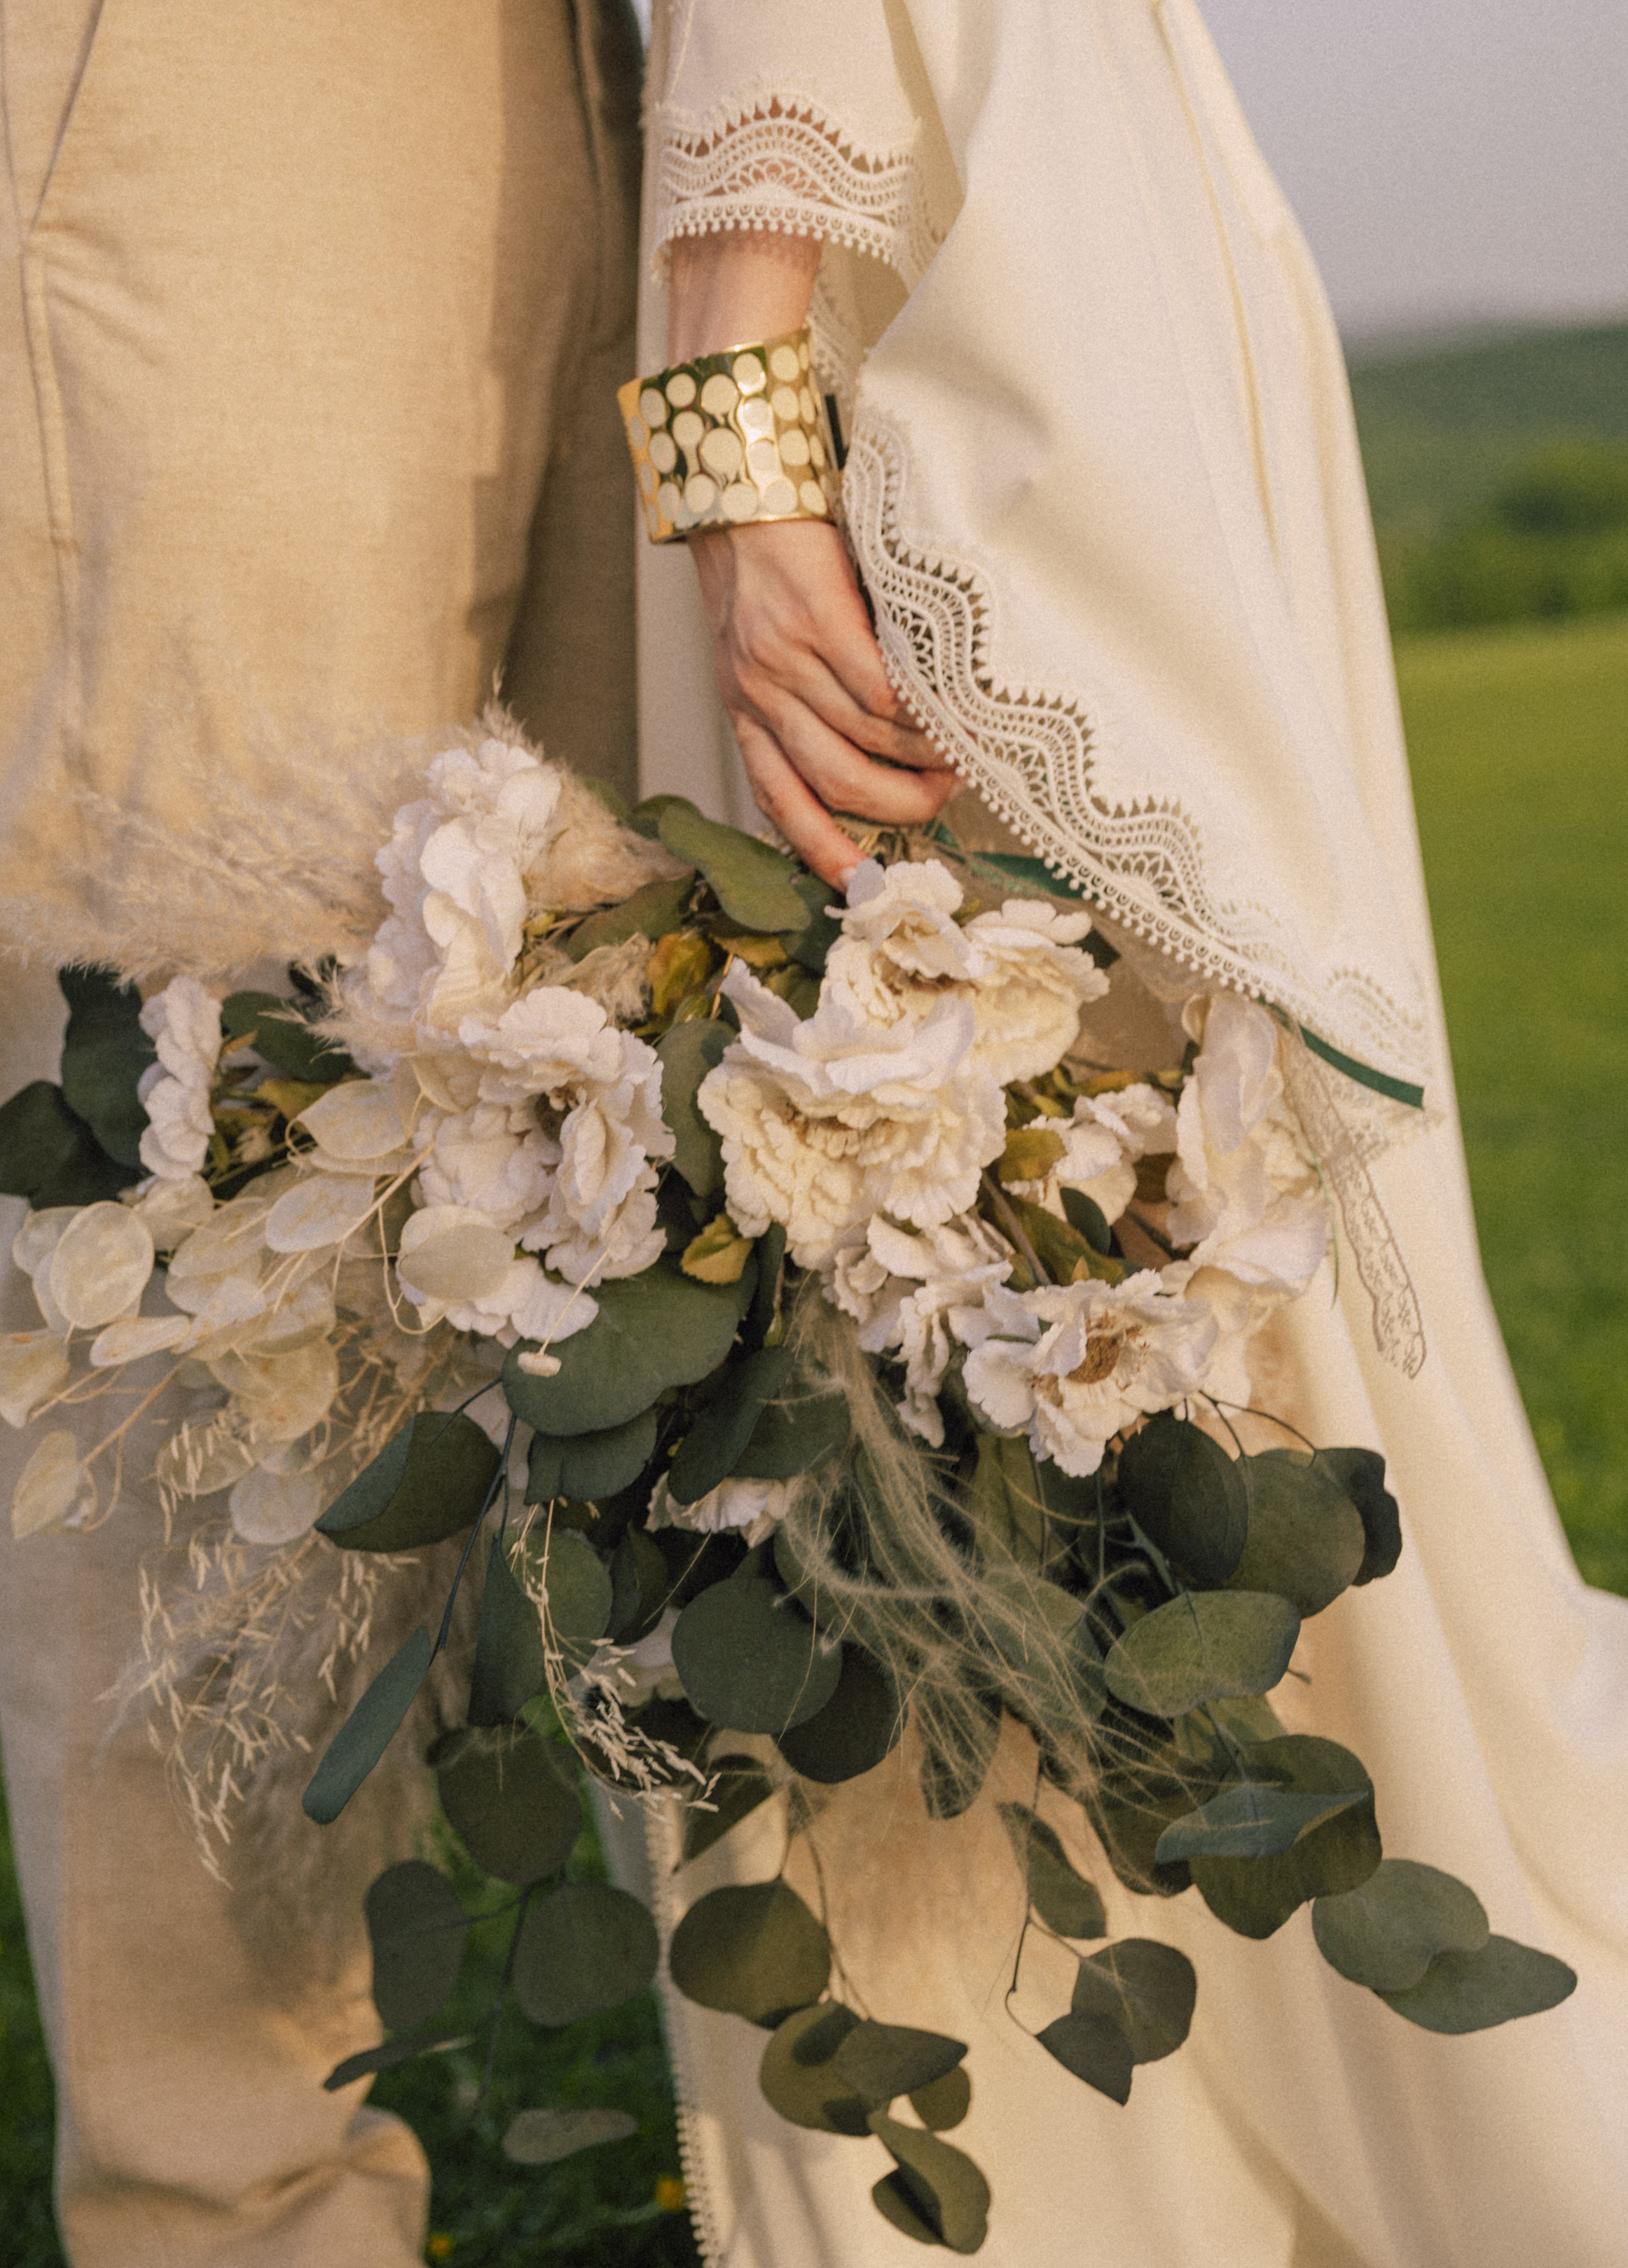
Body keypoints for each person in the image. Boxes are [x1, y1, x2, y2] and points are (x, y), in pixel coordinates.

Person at [621, 4, 1628, 2262]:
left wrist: (739, 424)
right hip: (1029, 203)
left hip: (913, 278)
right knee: (1043, 1228)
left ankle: (1136, 2096)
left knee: (1057, 1197)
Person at [0, 4, 642, 2260]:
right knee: (204, 1221)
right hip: (179, 93)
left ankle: (823, 2138)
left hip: (616, 72)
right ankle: (239, 2213)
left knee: (682, 1114)